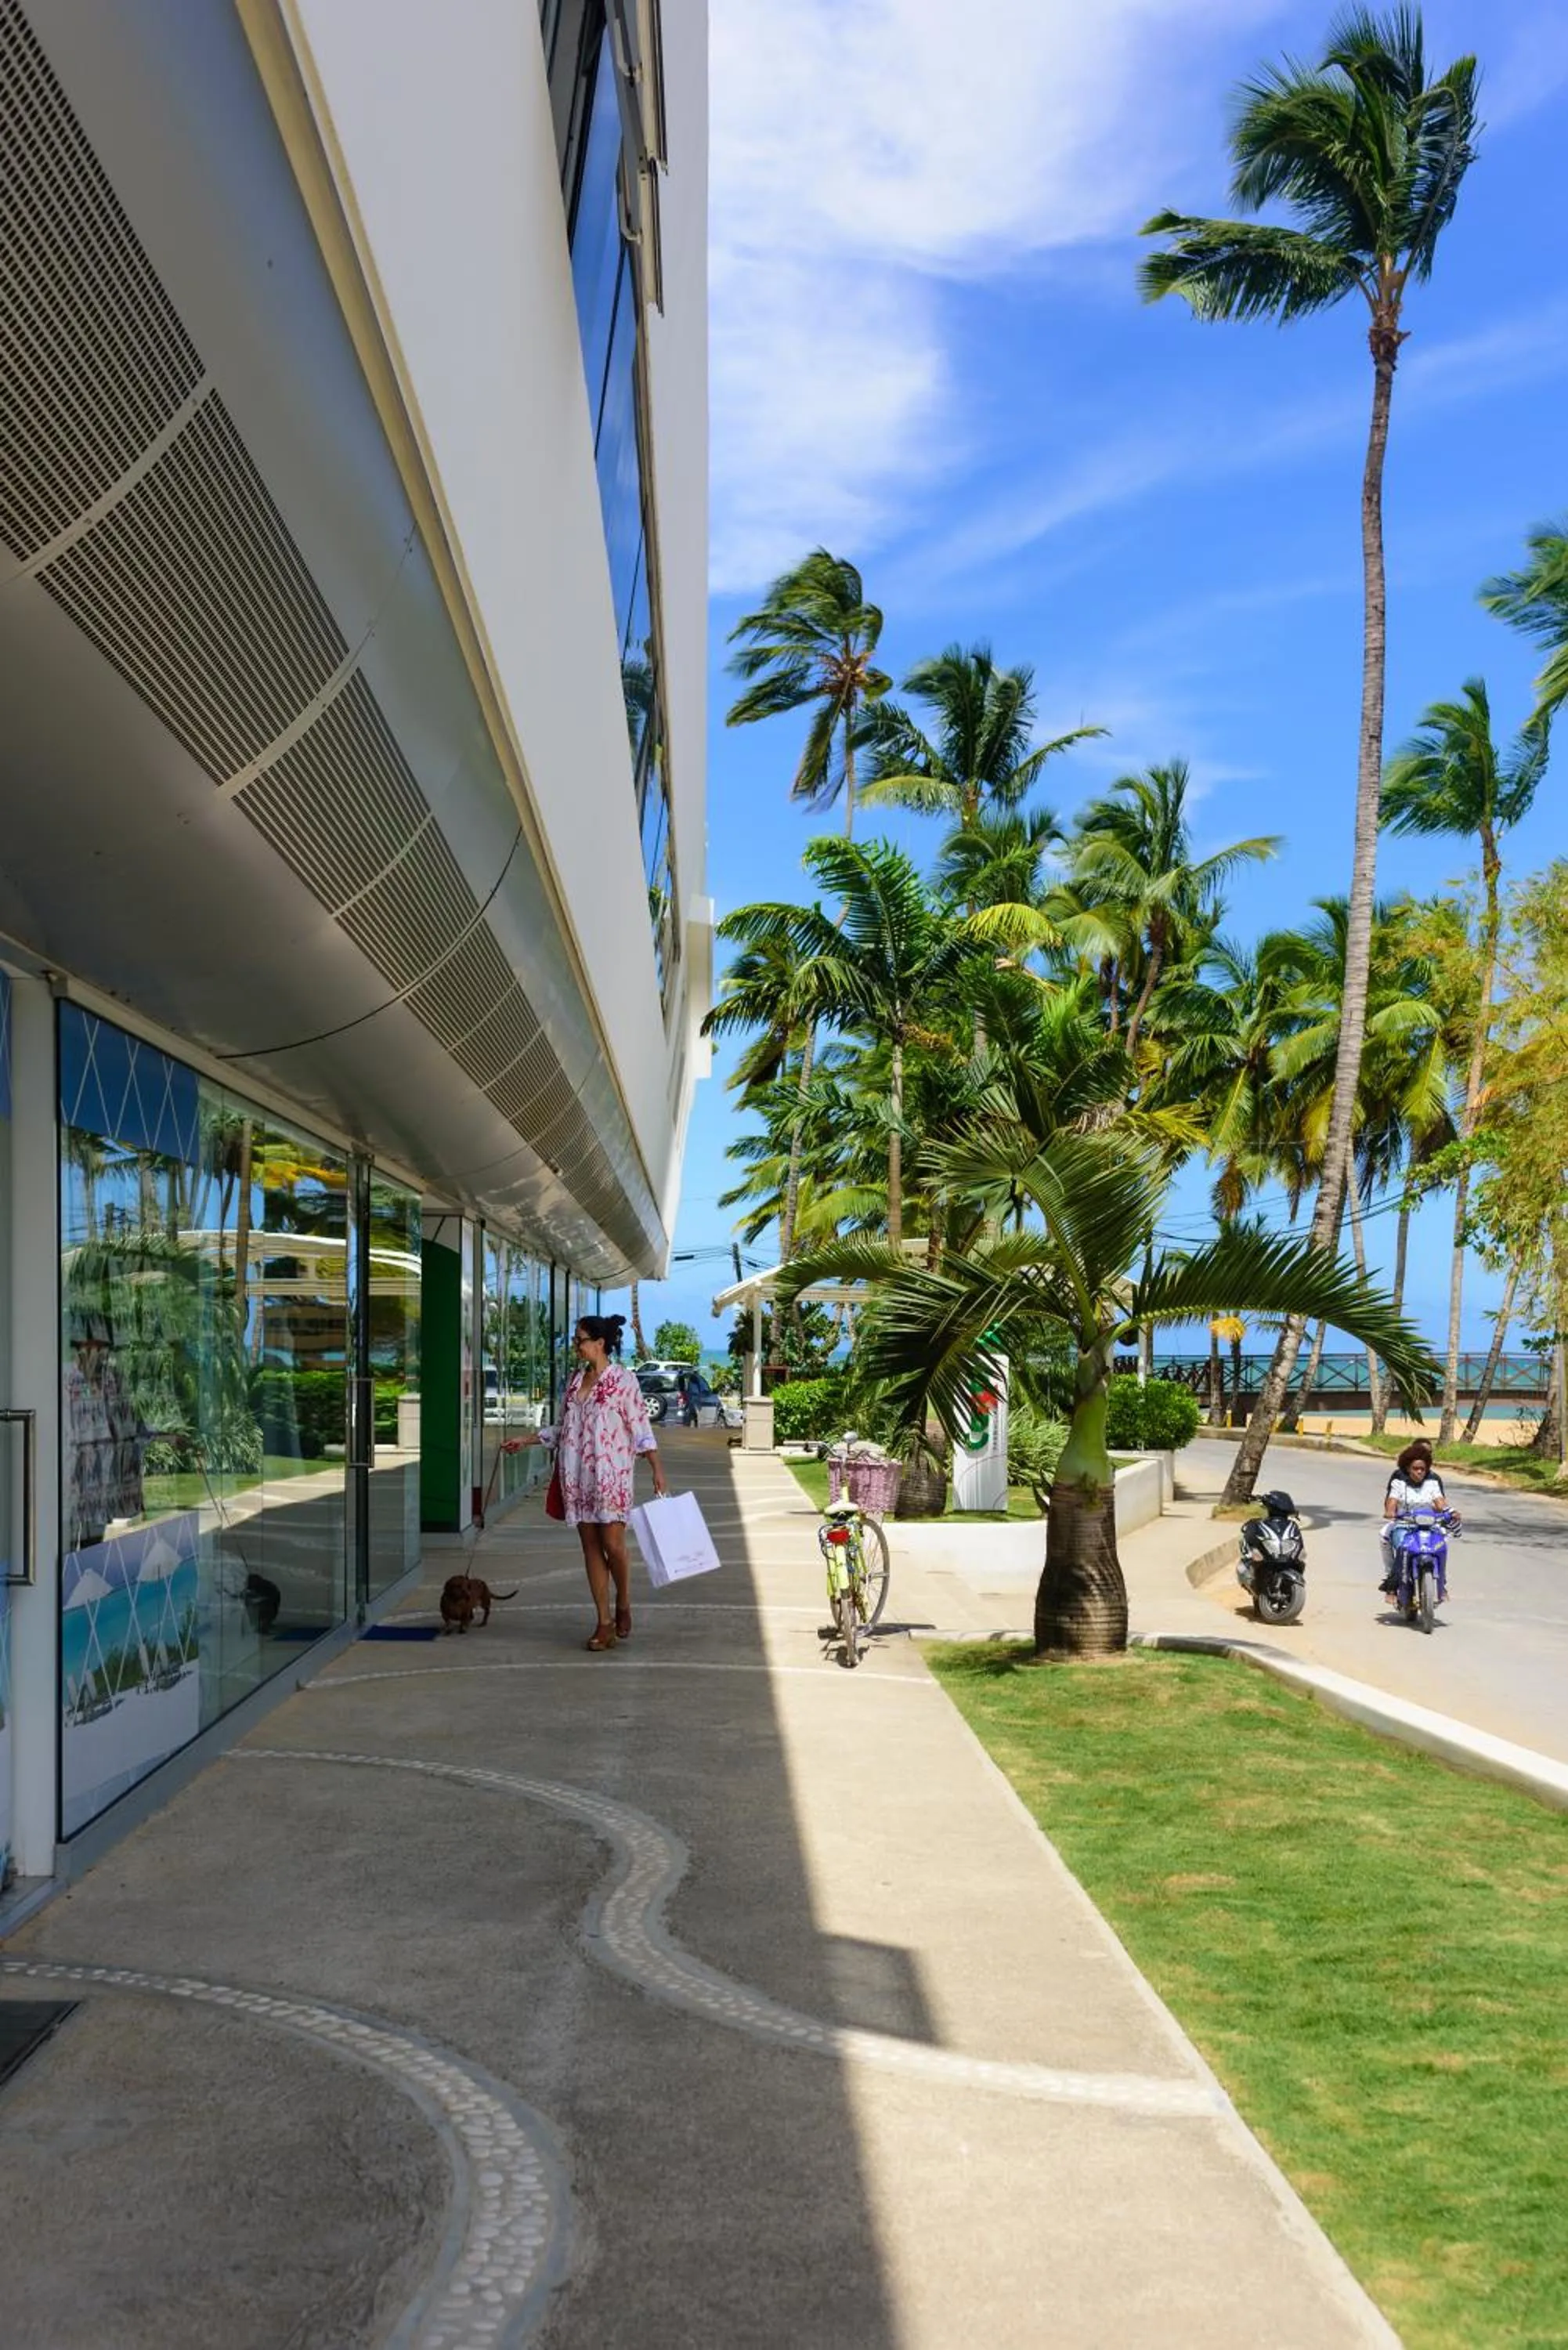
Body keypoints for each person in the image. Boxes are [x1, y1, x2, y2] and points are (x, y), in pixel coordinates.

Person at [504, 1313, 667, 1650]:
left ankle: (623, 1601)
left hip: (611, 1477)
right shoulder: (575, 1383)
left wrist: (656, 1469)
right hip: (577, 1477)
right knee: (591, 1547)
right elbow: (567, 1429)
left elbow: (641, 1429)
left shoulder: (624, 1381)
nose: (576, 1347)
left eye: (580, 1340)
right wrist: (527, 1439)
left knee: (614, 1546)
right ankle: (603, 1623)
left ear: (599, 1343)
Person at [1379, 1438, 1458, 1595]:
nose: (1420, 1472)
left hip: (1429, 1525)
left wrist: (1450, 1512)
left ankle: (1442, 1582)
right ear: (1408, 1468)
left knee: (1442, 1543)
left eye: (1423, 1469)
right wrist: (1391, 1512)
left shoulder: (1433, 1483)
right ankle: (1392, 1578)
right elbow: (1391, 1502)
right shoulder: (1398, 1483)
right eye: (1416, 1468)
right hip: (1405, 1524)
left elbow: (1441, 1503)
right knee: (1388, 1538)